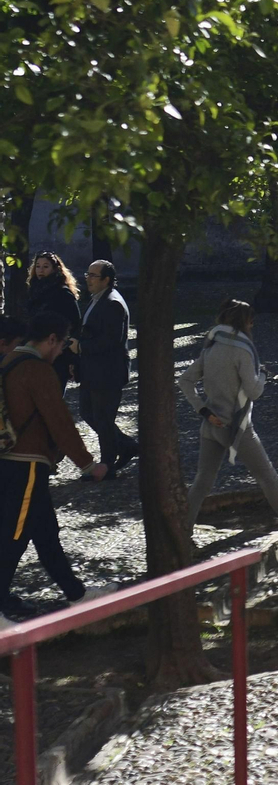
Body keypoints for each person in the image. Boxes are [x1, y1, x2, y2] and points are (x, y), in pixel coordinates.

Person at [180, 299, 278, 544]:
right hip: (238, 427)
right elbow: (254, 391)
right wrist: (265, 375)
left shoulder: (210, 348)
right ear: (246, 322)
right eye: (251, 321)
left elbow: (185, 381)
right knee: (268, 478)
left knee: (202, 483)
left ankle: (182, 534)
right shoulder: (242, 351)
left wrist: (203, 410)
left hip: (211, 425)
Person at [1, 313, 112, 623]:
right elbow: (60, 422)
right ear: (51, 339)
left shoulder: (7, 362)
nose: (62, 349)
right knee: (14, 536)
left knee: (45, 534)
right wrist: (88, 464)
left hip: (8, 461)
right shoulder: (37, 370)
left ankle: (76, 594)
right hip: (27, 466)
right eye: (62, 343)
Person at [73, 259, 138, 472]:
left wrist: (81, 348)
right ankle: (126, 446)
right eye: (88, 274)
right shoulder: (98, 298)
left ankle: (107, 465)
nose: (88, 279)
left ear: (106, 280)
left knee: (103, 418)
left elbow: (111, 340)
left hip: (107, 372)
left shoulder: (112, 302)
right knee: (89, 413)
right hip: (93, 370)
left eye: (93, 276)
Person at [25, 252, 81, 391]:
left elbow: (74, 324)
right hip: (36, 351)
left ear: (55, 269)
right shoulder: (35, 291)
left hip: (56, 353)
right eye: (38, 266)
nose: (41, 270)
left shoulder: (63, 293)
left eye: (45, 266)